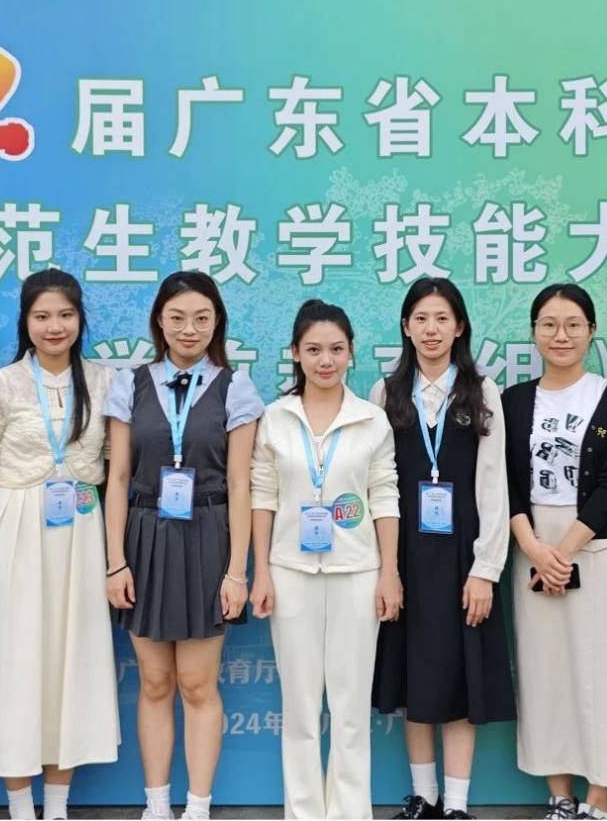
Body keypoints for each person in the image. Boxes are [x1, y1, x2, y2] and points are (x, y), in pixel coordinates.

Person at [0, 270, 120, 821]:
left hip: (82, 530)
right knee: (17, 657)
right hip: (17, 529)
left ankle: (58, 805)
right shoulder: (2, 382)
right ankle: (21, 804)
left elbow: (114, 465)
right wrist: (15, 511)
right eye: (42, 316)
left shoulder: (103, 380)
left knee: (71, 657)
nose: (55, 327)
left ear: (80, 319)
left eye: (65, 315)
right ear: (25, 321)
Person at [104, 271, 263, 821]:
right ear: (159, 322)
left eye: (201, 318)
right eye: (176, 318)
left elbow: (241, 484)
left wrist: (237, 571)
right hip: (144, 536)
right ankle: (155, 805)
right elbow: (117, 479)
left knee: (197, 684)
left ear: (217, 322)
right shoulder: (130, 383)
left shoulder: (235, 387)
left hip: (207, 537)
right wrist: (116, 562)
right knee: (154, 682)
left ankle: (197, 806)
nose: (188, 328)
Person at [249, 298, 402, 820]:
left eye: (336, 349)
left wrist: (389, 573)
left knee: (350, 707)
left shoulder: (372, 420)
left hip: (358, 573)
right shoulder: (275, 417)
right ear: (295, 353)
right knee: (300, 708)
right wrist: (262, 571)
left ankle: (350, 812)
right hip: (290, 572)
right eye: (313, 350)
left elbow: (384, 496)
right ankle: (304, 812)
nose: (325, 360)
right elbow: (263, 496)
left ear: (352, 352)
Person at [370, 278, 515, 821]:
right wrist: (386, 568)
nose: (431, 329)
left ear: (459, 327)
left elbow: (494, 485)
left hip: (462, 557)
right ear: (406, 327)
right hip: (405, 557)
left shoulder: (483, 391)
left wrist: (485, 569)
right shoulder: (385, 393)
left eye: (442, 319)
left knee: (459, 678)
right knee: (413, 676)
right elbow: (377, 482)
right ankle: (423, 797)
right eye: (421, 319)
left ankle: (455, 805)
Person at [500, 284, 607, 821]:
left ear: (591, 331)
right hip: (531, 543)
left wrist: (562, 551)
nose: (561, 335)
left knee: (600, 669)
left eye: (573, 324)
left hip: (595, 545)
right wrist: (534, 548)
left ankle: (597, 798)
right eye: (549, 325)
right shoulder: (513, 401)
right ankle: (559, 794)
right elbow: (503, 482)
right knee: (544, 671)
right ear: (534, 332)